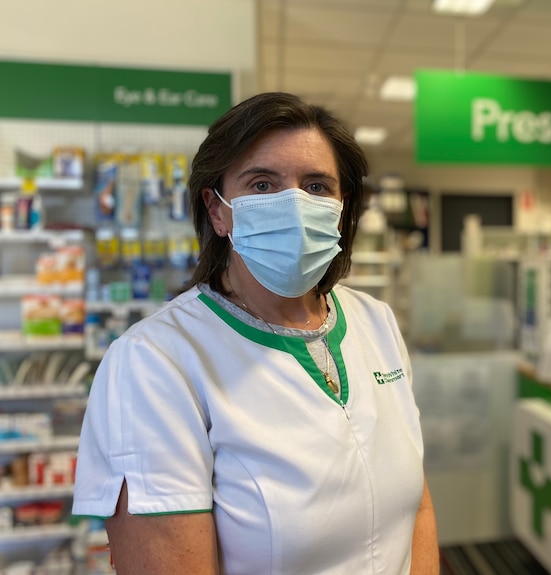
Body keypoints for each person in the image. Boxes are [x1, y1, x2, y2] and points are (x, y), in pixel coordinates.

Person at [72, 92, 439, 574]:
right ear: (218, 210)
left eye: (316, 186)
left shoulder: (376, 322)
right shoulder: (153, 363)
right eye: (262, 184)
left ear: (342, 209)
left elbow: (417, 509)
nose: (294, 204)